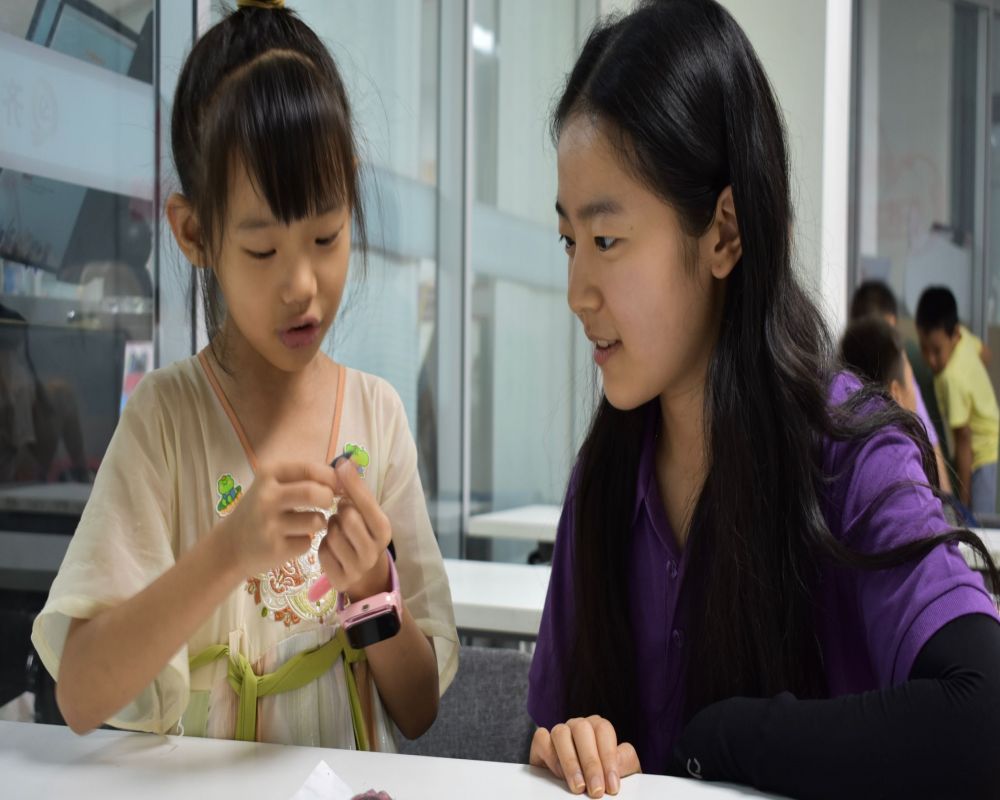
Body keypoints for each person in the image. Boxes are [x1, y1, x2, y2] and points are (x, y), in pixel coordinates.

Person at [526, 2, 1000, 797]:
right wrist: (568, 749)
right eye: (570, 242)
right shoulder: (604, 481)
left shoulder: (851, 453)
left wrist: (722, 740)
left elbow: (983, 721)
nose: (577, 291)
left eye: (606, 241)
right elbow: (548, 738)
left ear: (724, 233)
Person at [31, 0, 457, 751]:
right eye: (263, 251)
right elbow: (81, 695)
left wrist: (370, 591)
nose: (302, 285)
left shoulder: (377, 415)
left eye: (326, 236)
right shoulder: (167, 420)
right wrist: (226, 554)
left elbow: (419, 709)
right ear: (194, 232)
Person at [849, 280, 952, 495]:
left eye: (889, 330)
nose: (887, 341)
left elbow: (930, 438)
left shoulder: (901, 370)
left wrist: (946, 498)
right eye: (878, 333)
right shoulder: (846, 384)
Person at [916, 286, 1000, 518]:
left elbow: (963, 439)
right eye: (924, 348)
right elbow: (986, 353)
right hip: (991, 431)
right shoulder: (963, 337)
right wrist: (975, 380)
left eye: (937, 351)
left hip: (983, 453)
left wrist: (963, 499)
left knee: (979, 523)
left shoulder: (951, 379)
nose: (931, 360)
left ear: (953, 336)